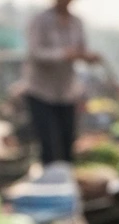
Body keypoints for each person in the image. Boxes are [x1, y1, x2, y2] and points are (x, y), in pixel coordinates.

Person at [24, 0, 99, 165]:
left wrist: (88, 57)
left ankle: (65, 178)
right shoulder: (40, 20)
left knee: (67, 146)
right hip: (41, 92)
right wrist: (64, 54)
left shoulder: (76, 22)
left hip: (66, 93)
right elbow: (36, 53)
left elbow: (81, 50)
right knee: (48, 147)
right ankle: (50, 178)